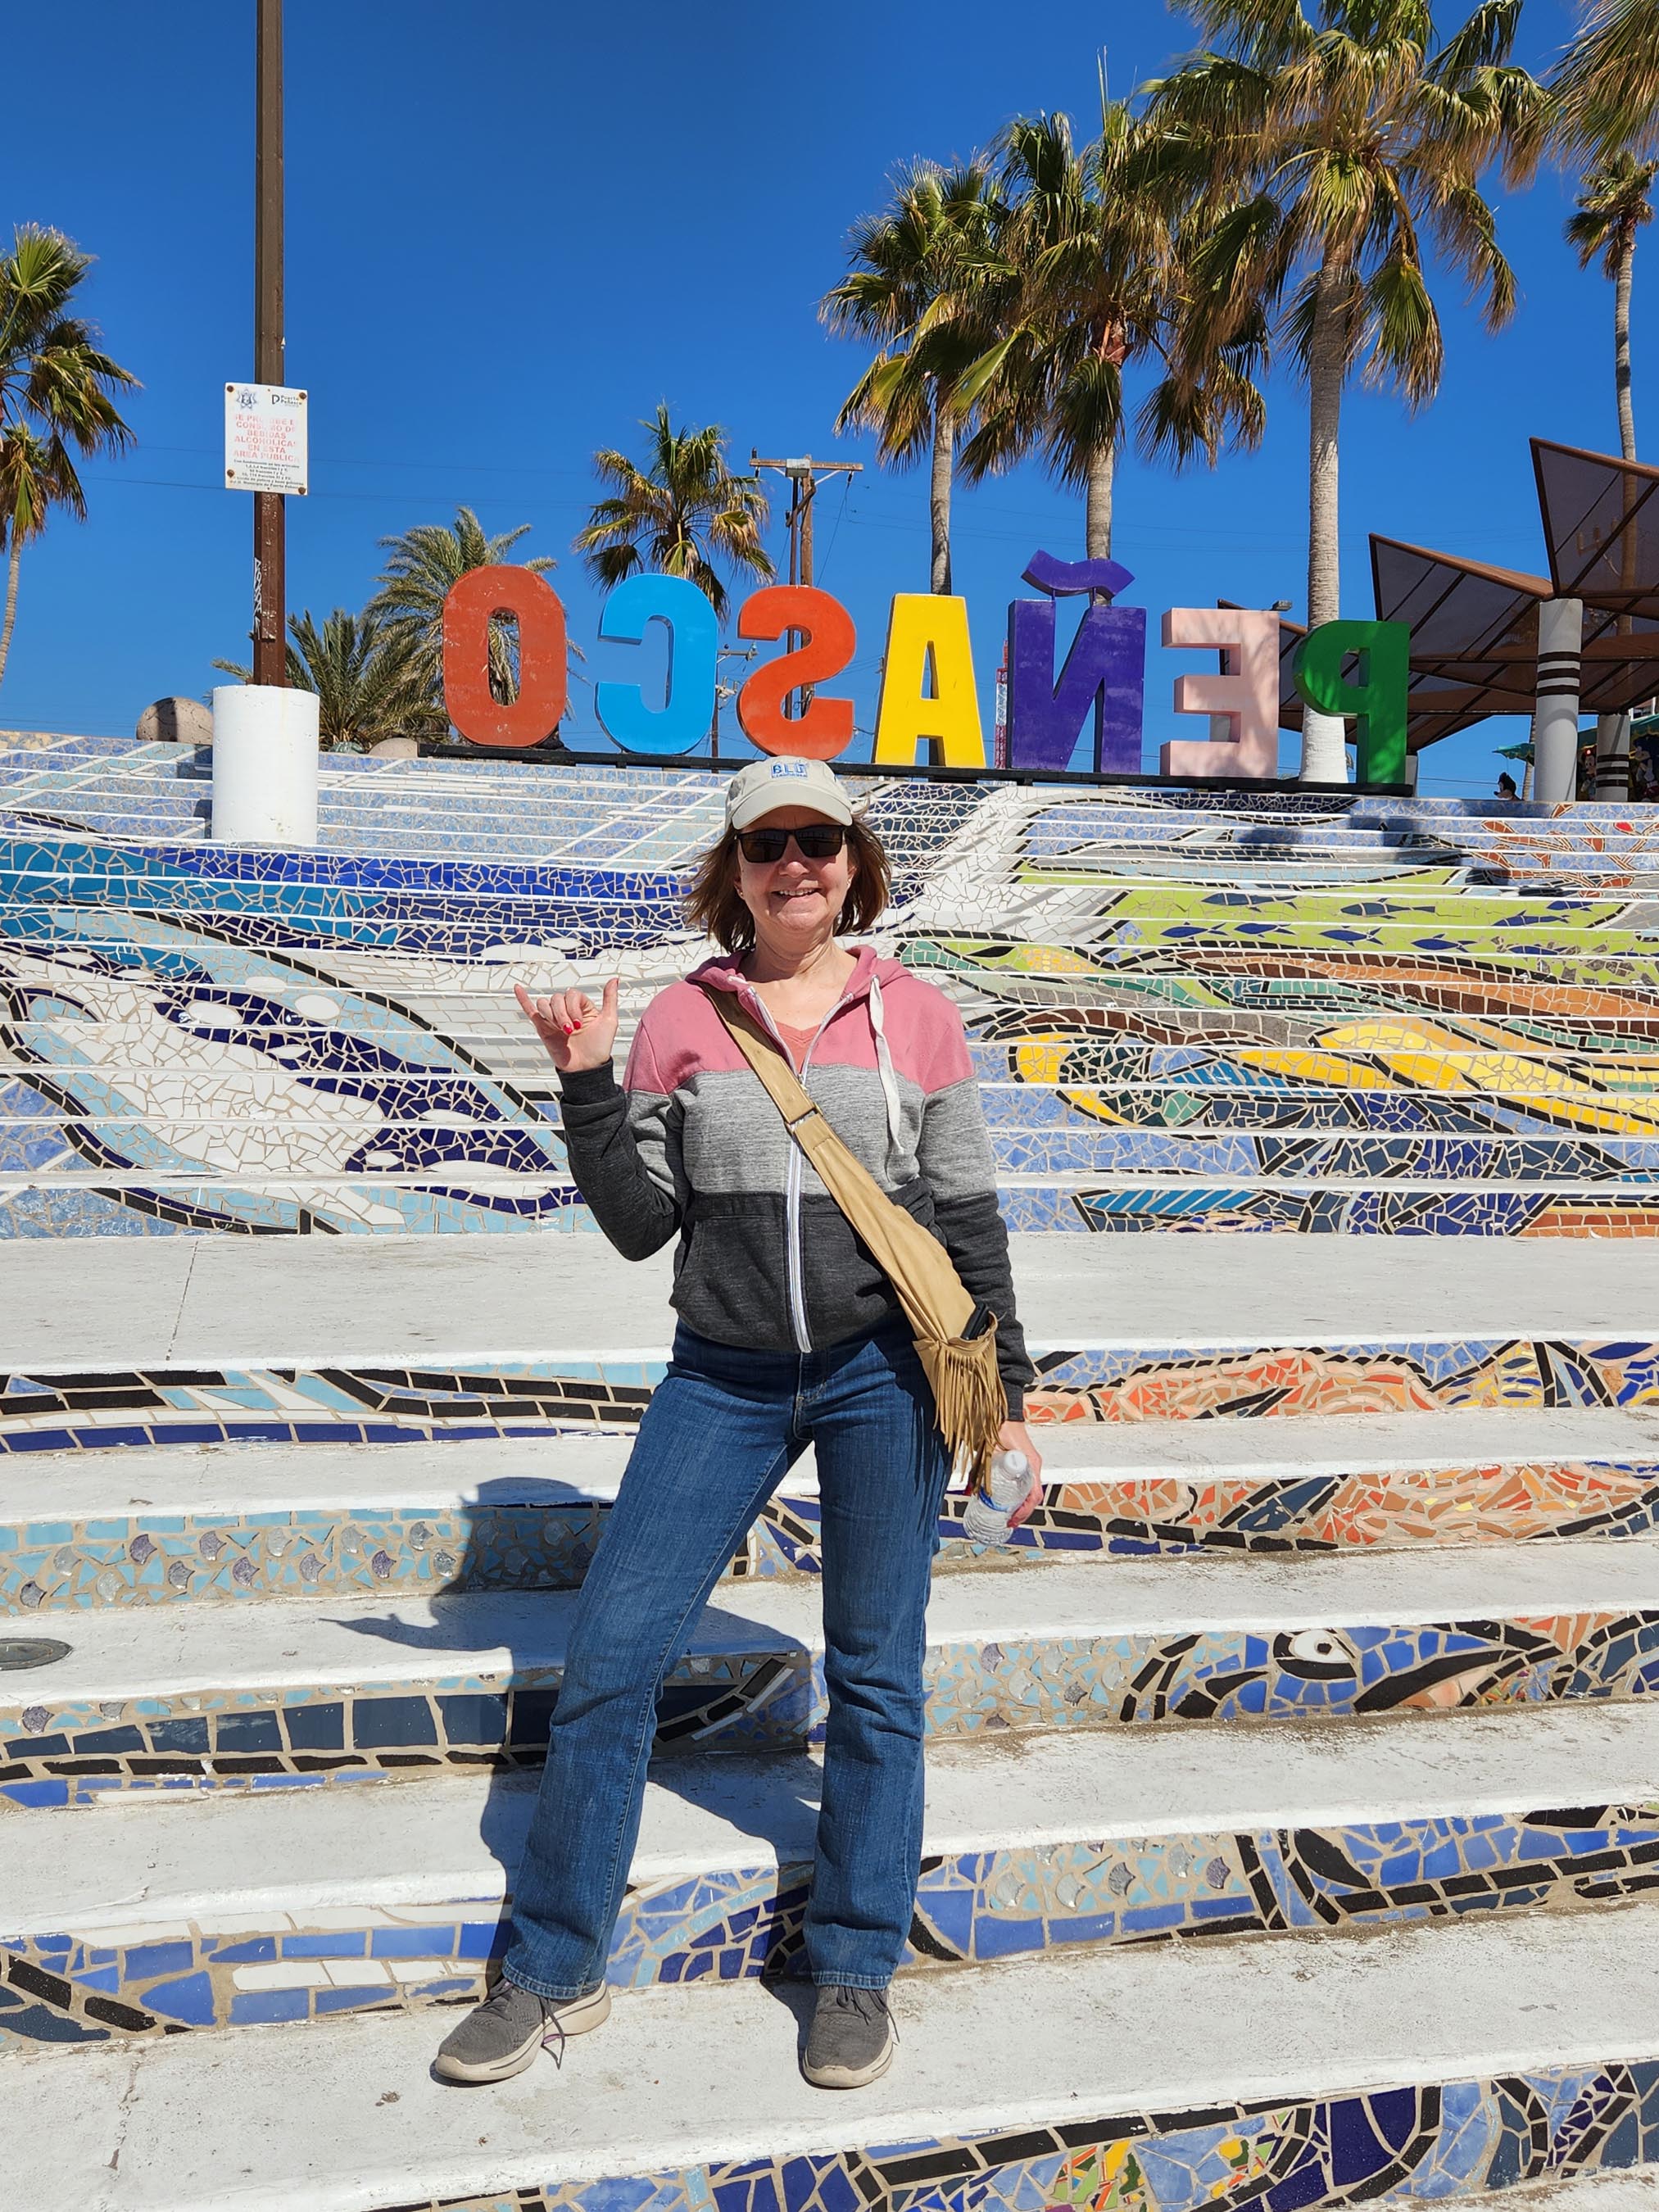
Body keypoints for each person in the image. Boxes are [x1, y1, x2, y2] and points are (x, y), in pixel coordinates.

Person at [434, 754, 1040, 2094]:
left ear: (853, 861)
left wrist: (1005, 1401)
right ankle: (553, 1965)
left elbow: (965, 1221)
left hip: (884, 1374)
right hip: (720, 1377)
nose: (794, 864)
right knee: (610, 1660)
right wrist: (585, 1083)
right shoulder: (682, 1019)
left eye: (817, 839)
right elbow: (639, 1223)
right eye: (766, 844)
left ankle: (854, 1964)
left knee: (876, 1675)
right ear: (735, 870)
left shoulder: (916, 1016)